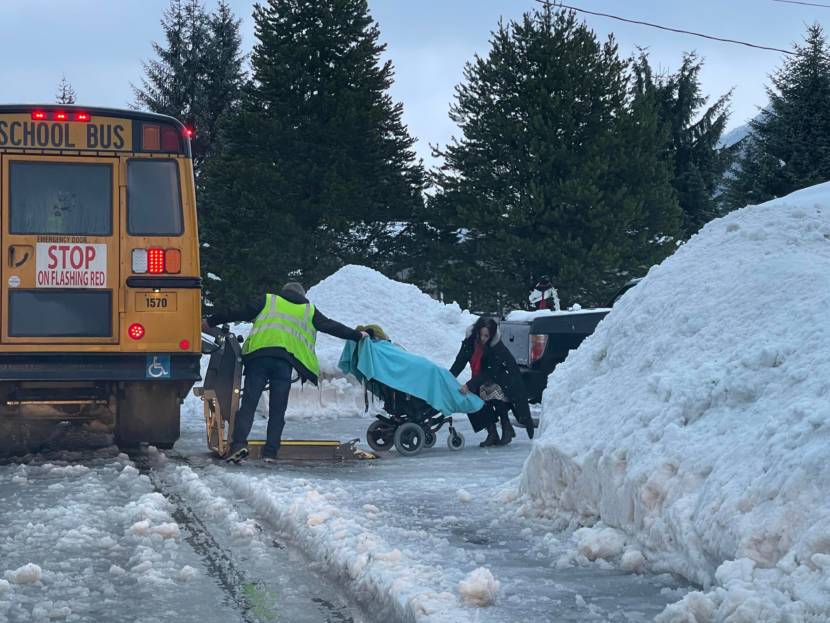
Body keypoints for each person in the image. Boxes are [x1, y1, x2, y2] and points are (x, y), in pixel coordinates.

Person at [203, 282, 367, 463]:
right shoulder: (309, 310)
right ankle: (270, 453)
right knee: (277, 409)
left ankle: (238, 445)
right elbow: (332, 326)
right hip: (284, 363)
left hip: (259, 358)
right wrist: (357, 335)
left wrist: (210, 321)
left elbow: (237, 312)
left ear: (284, 292)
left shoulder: (269, 301)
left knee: (249, 404)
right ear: (303, 295)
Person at [449, 317, 534, 447]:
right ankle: (492, 432)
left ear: (492, 336)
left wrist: (470, 385)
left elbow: (490, 372)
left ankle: (506, 428)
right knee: (472, 398)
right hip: (482, 378)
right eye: (481, 334)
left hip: (503, 379)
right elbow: (460, 361)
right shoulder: (470, 342)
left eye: (486, 336)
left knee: (488, 392)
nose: (483, 338)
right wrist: (449, 377)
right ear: (476, 331)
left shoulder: (496, 347)